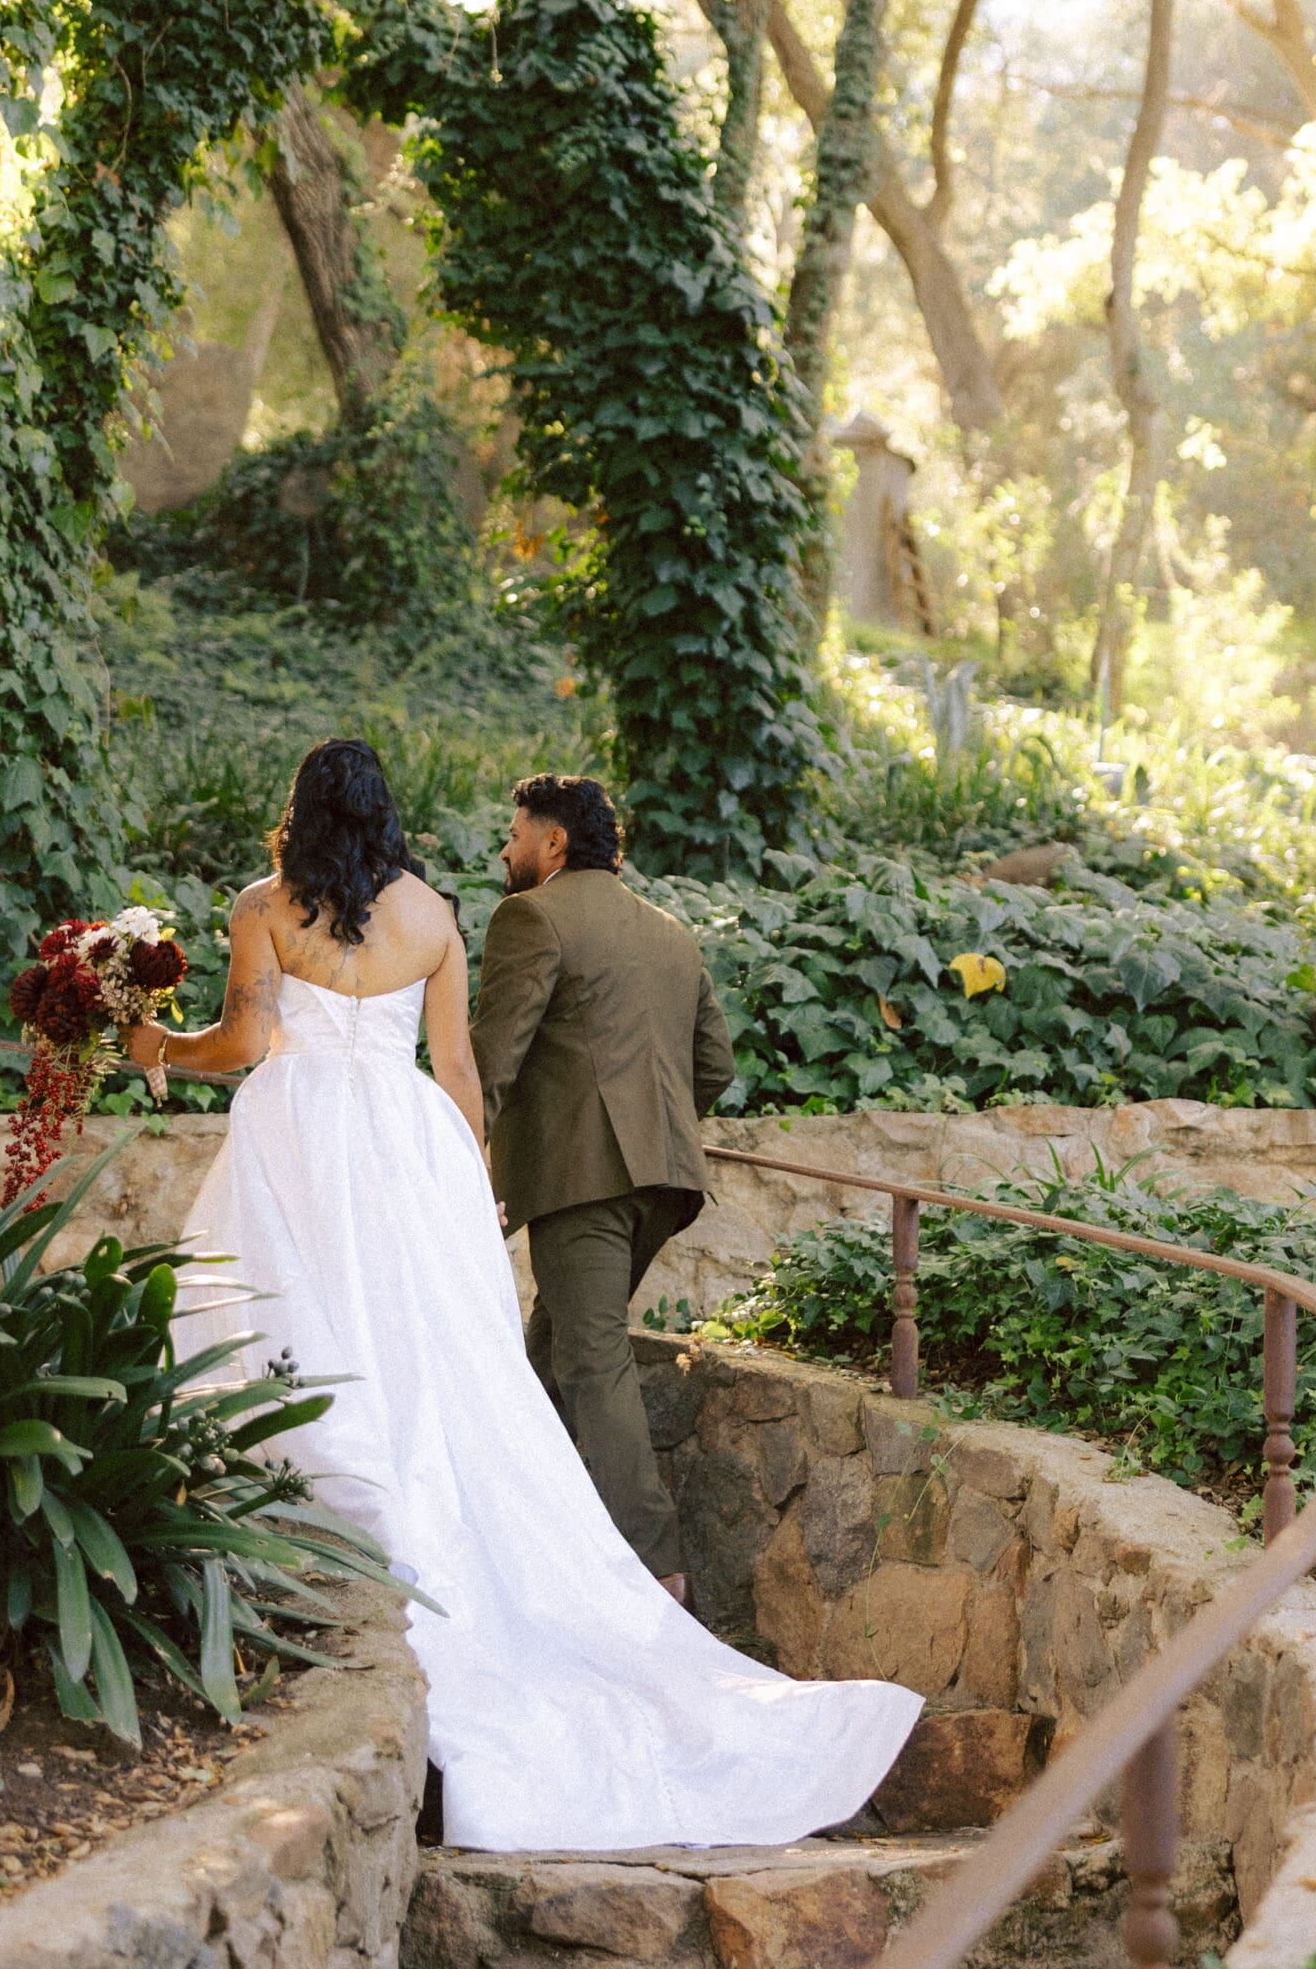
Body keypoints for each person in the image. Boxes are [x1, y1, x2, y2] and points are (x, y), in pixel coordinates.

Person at [124, 738, 918, 1854]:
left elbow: (249, 1040)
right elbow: (457, 1070)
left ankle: (311, 1553)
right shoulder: (435, 915)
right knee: (435, 1361)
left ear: (300, 811)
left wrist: (157, 1045)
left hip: (298, 1134)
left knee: (292, 1325)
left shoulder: (265, 906)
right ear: (386, 813)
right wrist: (466, 1182)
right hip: (410, 1146)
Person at [471, 774, 731, 1603]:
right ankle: (512, 1530)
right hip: (664, 1183)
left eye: (516, 832)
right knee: (548, 1354)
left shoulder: (531, 916)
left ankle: (659, 1574)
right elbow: (714, 1066)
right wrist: (651, 1130)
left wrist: (453, 1157)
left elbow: (490, 1061)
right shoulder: (671, 932)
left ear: (554, 841)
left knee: (589, 1358)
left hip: (582, 1181)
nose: (505, 848)